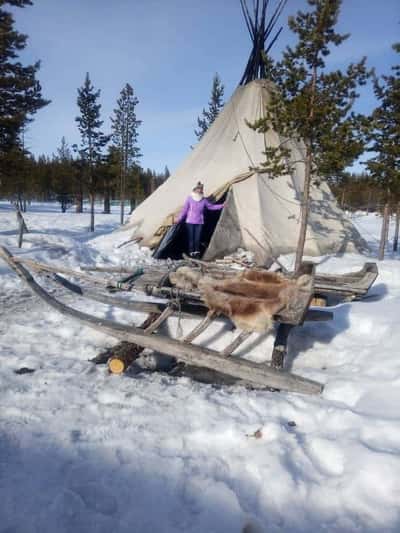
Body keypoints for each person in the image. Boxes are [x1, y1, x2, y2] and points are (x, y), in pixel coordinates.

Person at [176, 181, 224, 257]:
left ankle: (197, 253)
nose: (200, 190)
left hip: (199, 222)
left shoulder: (203, 200)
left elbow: (211, 207)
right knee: (191, 239)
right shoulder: (190, 198)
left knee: (197, 239)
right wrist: (179, 219)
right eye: (199, 188)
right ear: (195, 189)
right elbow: (184, 210)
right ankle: (191, 253)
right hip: (190, 222)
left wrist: (221, 206)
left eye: (201, 189)